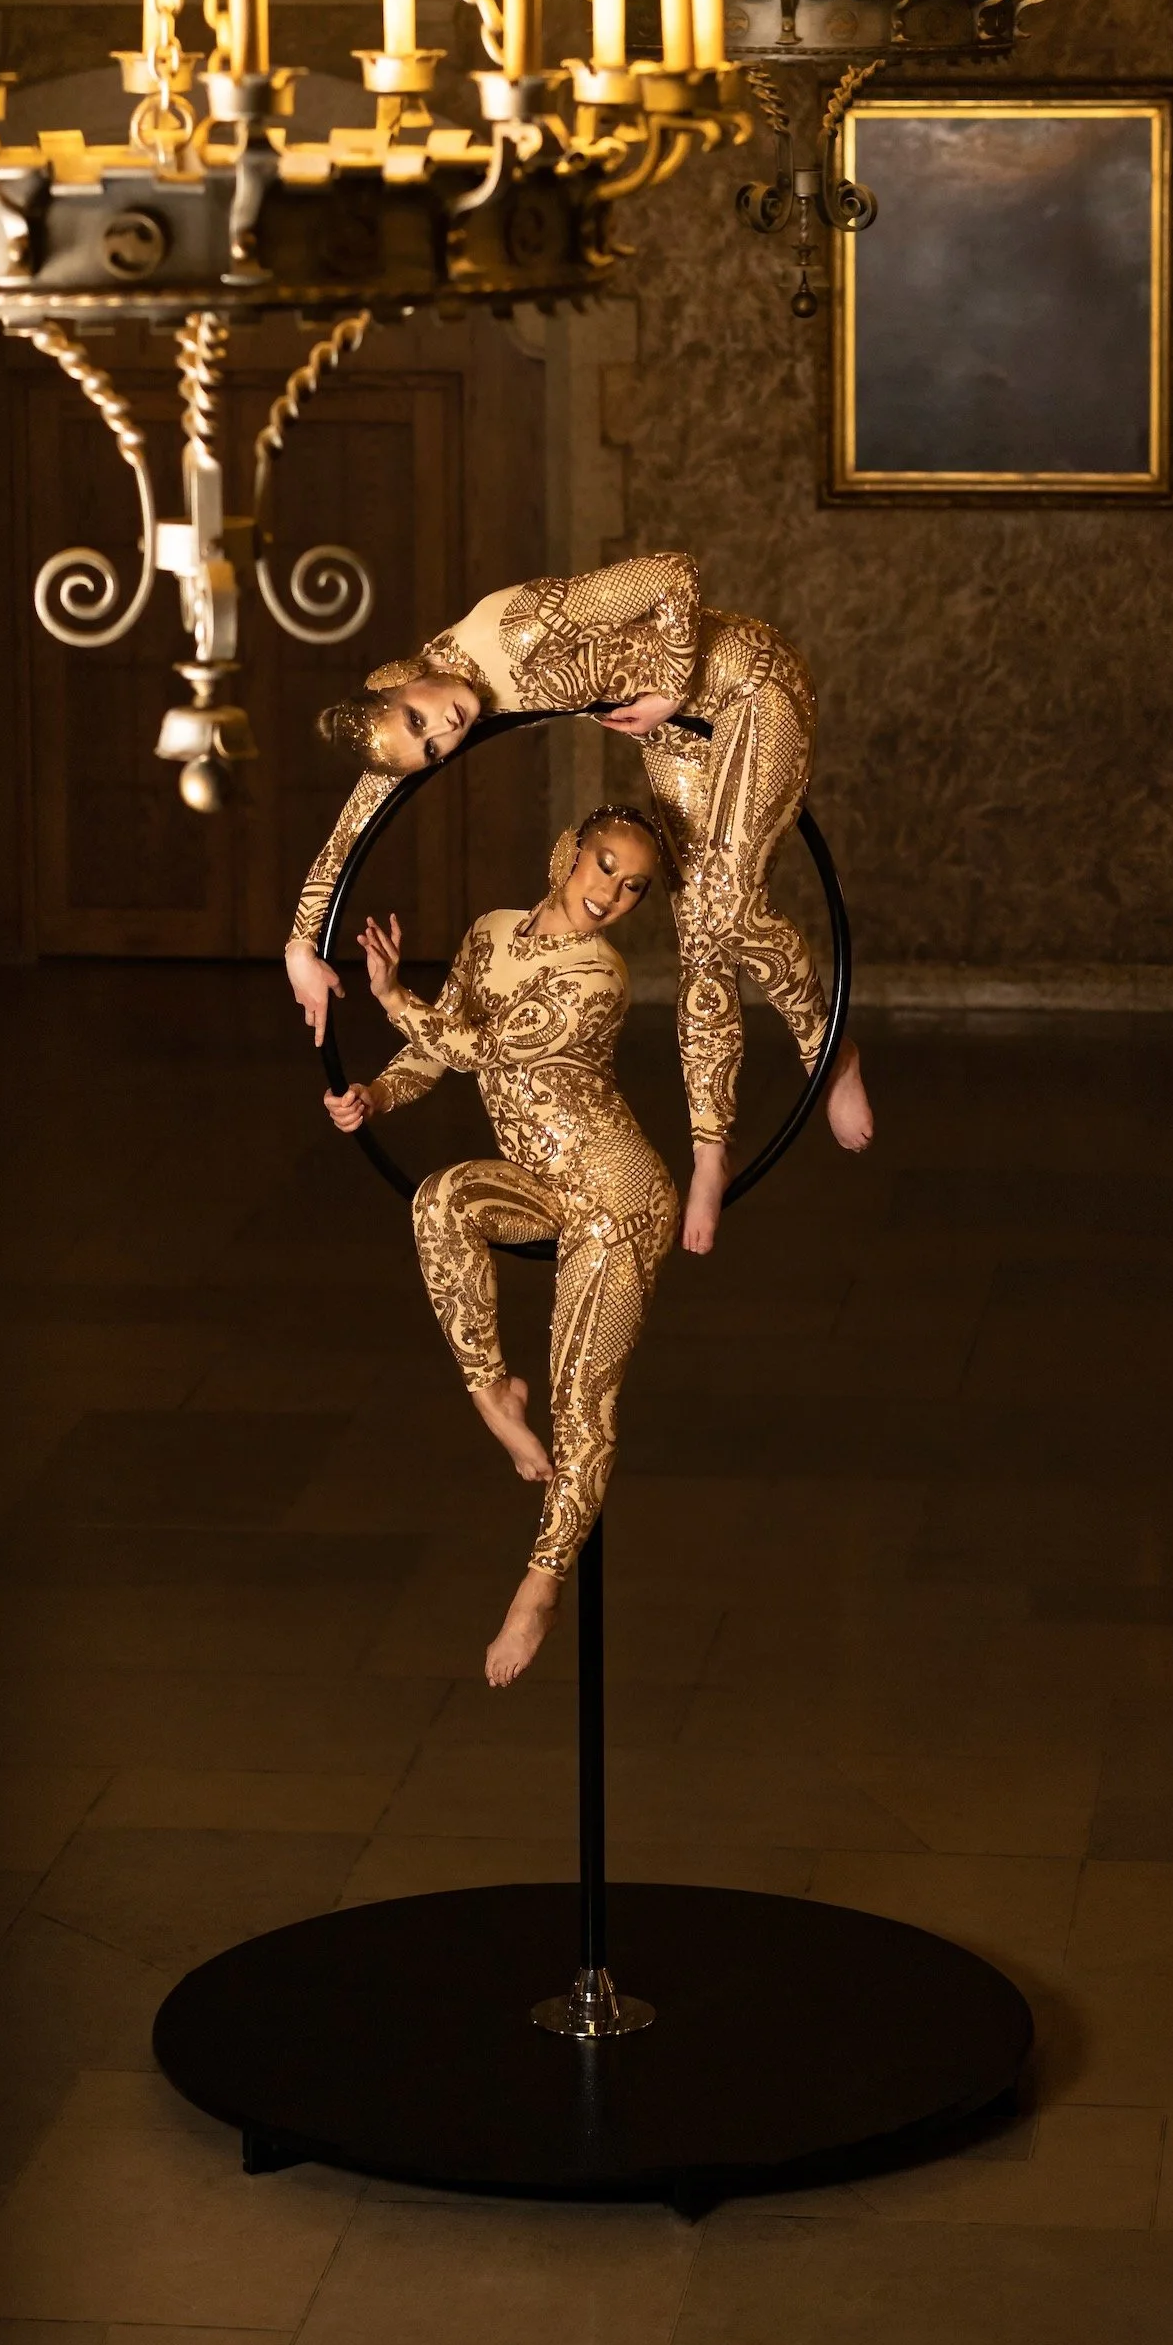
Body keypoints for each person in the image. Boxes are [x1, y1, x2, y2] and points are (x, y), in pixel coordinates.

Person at [284, 550, 873, 1257]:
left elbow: (673, 574)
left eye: (422, 721)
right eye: (433, 747)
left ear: (404, 679)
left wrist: (671, 681)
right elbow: (352, 829)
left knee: (725, 904)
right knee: (703, 933)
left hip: (745, 686)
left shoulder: (512, 631)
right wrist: (299, 947)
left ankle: (829, 1054)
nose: (445, 733)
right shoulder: (437, 704)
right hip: (670, 722)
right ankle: (711, 1147)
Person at [323, 808, 677, 1688]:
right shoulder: (488, 935)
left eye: (632, 886)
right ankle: (490, 1393)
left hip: (618, 1196)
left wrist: (391, 996)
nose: (611, 894)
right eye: (603, 866)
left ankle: (540, 1584)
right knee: (440, 1200)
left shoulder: (599, 976)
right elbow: (434, 1052)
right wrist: (375, 1093)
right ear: (567, 853)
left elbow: (479, 1049)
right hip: (546, 1185)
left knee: (580, 1407)